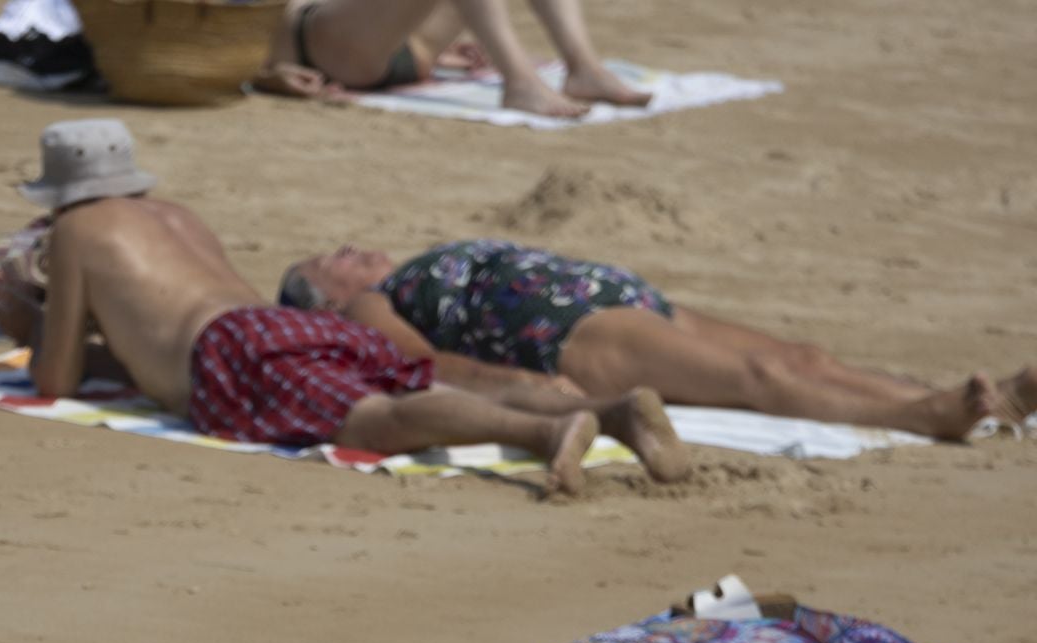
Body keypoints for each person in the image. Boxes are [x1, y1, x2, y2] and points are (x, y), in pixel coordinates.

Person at [0, 120, 689, 494]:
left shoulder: (76, 231)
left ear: (59, 195)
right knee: (410, 382)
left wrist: (38, 308)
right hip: (282, 323)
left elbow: (56, 383)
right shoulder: (172, 215)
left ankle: (551, 432)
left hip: (230, 346)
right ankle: (614, 411)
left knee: (376, 419)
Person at [280, 241, 1035, 441]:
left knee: (802, 359)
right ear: (327, 300)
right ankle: (924, 417)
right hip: (559, 331)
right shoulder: (370, 307)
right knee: (761, 376)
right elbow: (424, 363)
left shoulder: (398, 274)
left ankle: (973, 403)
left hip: (605, 297)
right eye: (329, 261)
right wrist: (519, 387)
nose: (348, 250)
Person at [259, 0, 649, 119]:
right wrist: (268, 74)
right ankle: (521, 83)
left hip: (404, 48)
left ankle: (583, 69)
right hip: (320, 44)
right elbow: (207, 36)